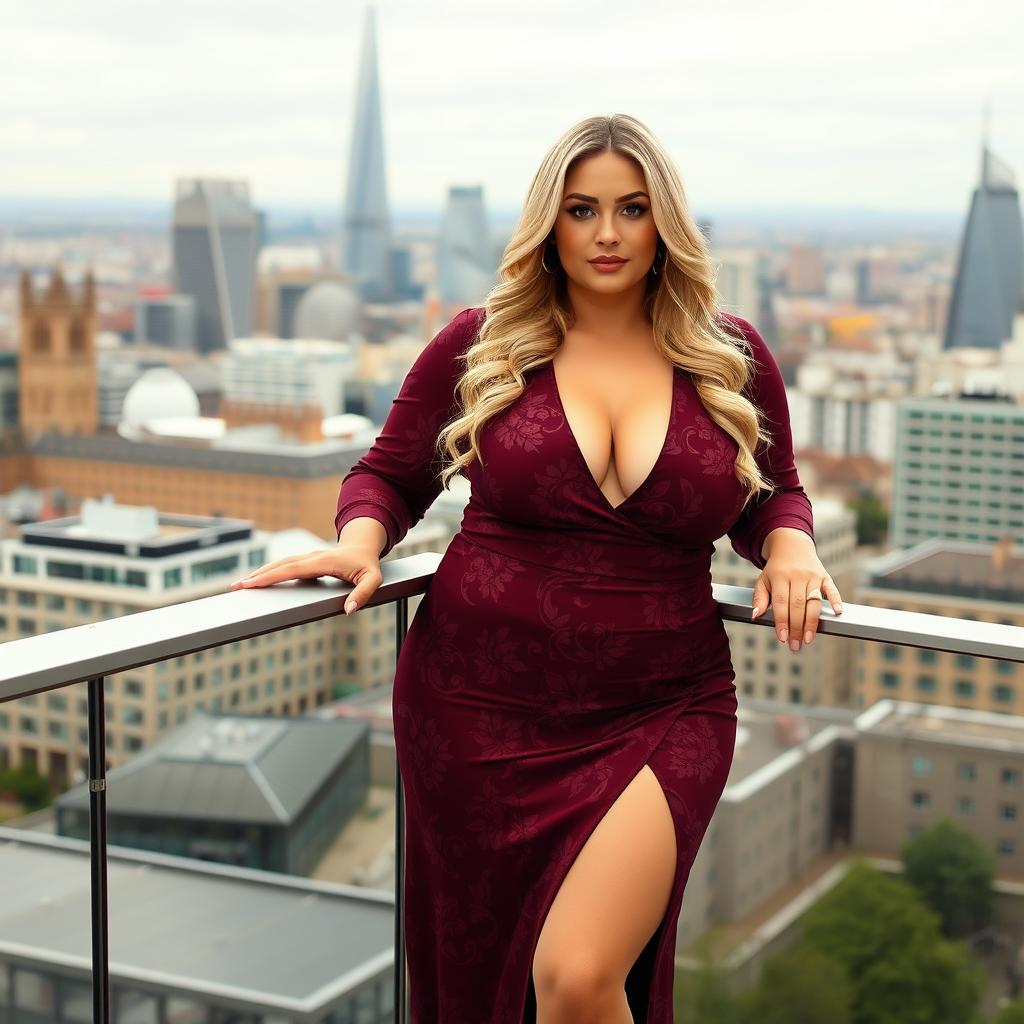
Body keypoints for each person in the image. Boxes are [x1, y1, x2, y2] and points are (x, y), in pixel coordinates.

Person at [230, 113, 844, 1023]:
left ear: (664, 222)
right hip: (475, 709)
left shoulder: (732, 355)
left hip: (663, 704)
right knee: (491, 976)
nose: (605, 234)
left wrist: (792, 544)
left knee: (578, 976)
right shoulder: (483, 343)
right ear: (547, 224)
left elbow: (774, 494)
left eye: (631, 209)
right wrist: (362, 542)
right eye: (582, 209)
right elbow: (390, 474)